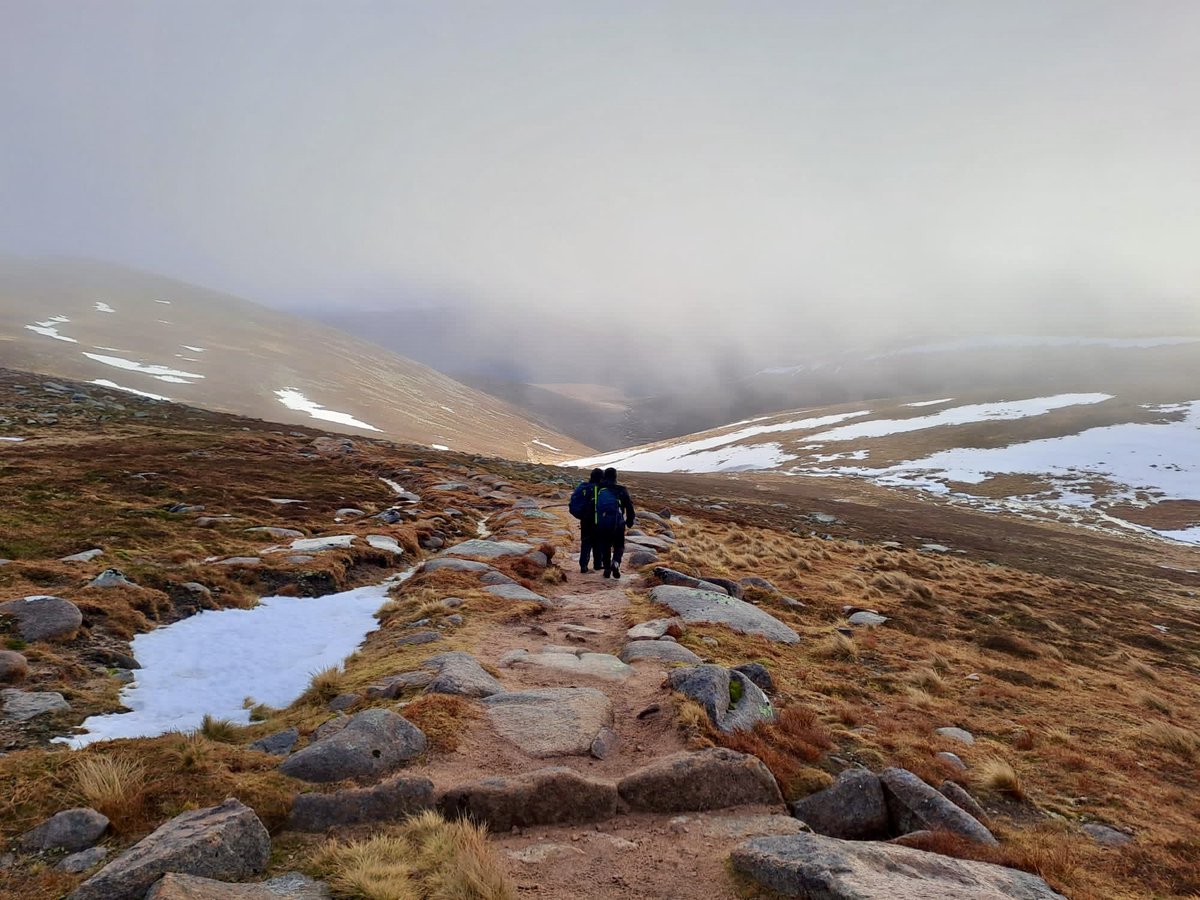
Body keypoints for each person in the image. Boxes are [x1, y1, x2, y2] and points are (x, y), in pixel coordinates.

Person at [594, 466, 635, 579]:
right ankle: (616, 563)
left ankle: (607, 568)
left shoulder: (599, 488)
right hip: (618, 522)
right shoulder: (621, 489)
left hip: (602, 522)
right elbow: (629, 507)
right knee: (619, 545)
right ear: (615, 476)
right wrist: (629, 521)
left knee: (605, 545)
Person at [568, 468, 604, 573]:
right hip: (599, 520)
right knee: (598, 542)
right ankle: (598, 564)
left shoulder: (584, 487)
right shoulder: (602, 489)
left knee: (586, 542)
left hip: (585, 520)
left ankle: (583, 566)